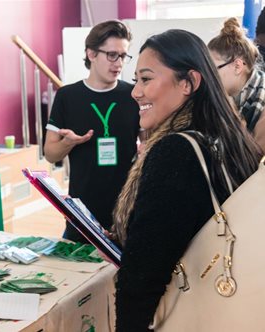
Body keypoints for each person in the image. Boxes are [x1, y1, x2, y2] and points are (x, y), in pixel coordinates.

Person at [112, 29, 261, 331]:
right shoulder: (230, 138)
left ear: (188, 83)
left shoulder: (176, 151)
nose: (134, 91)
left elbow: (143, 275)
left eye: (146, 79)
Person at [44, 20, 140, 243]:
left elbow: (145, 143)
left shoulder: (133, 95)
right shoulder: (68, 96)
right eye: (112, 55)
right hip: (82, 214)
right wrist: (69, 143)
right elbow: (50, 153)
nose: (118, 63)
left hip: (126, 211)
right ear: (91, 54)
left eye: (123, 56)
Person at [208, 17, 265, 152]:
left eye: (213, 69)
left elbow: (252, 164)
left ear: (237, 66)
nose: (208, 76)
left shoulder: (260, 108)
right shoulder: (226, 100)